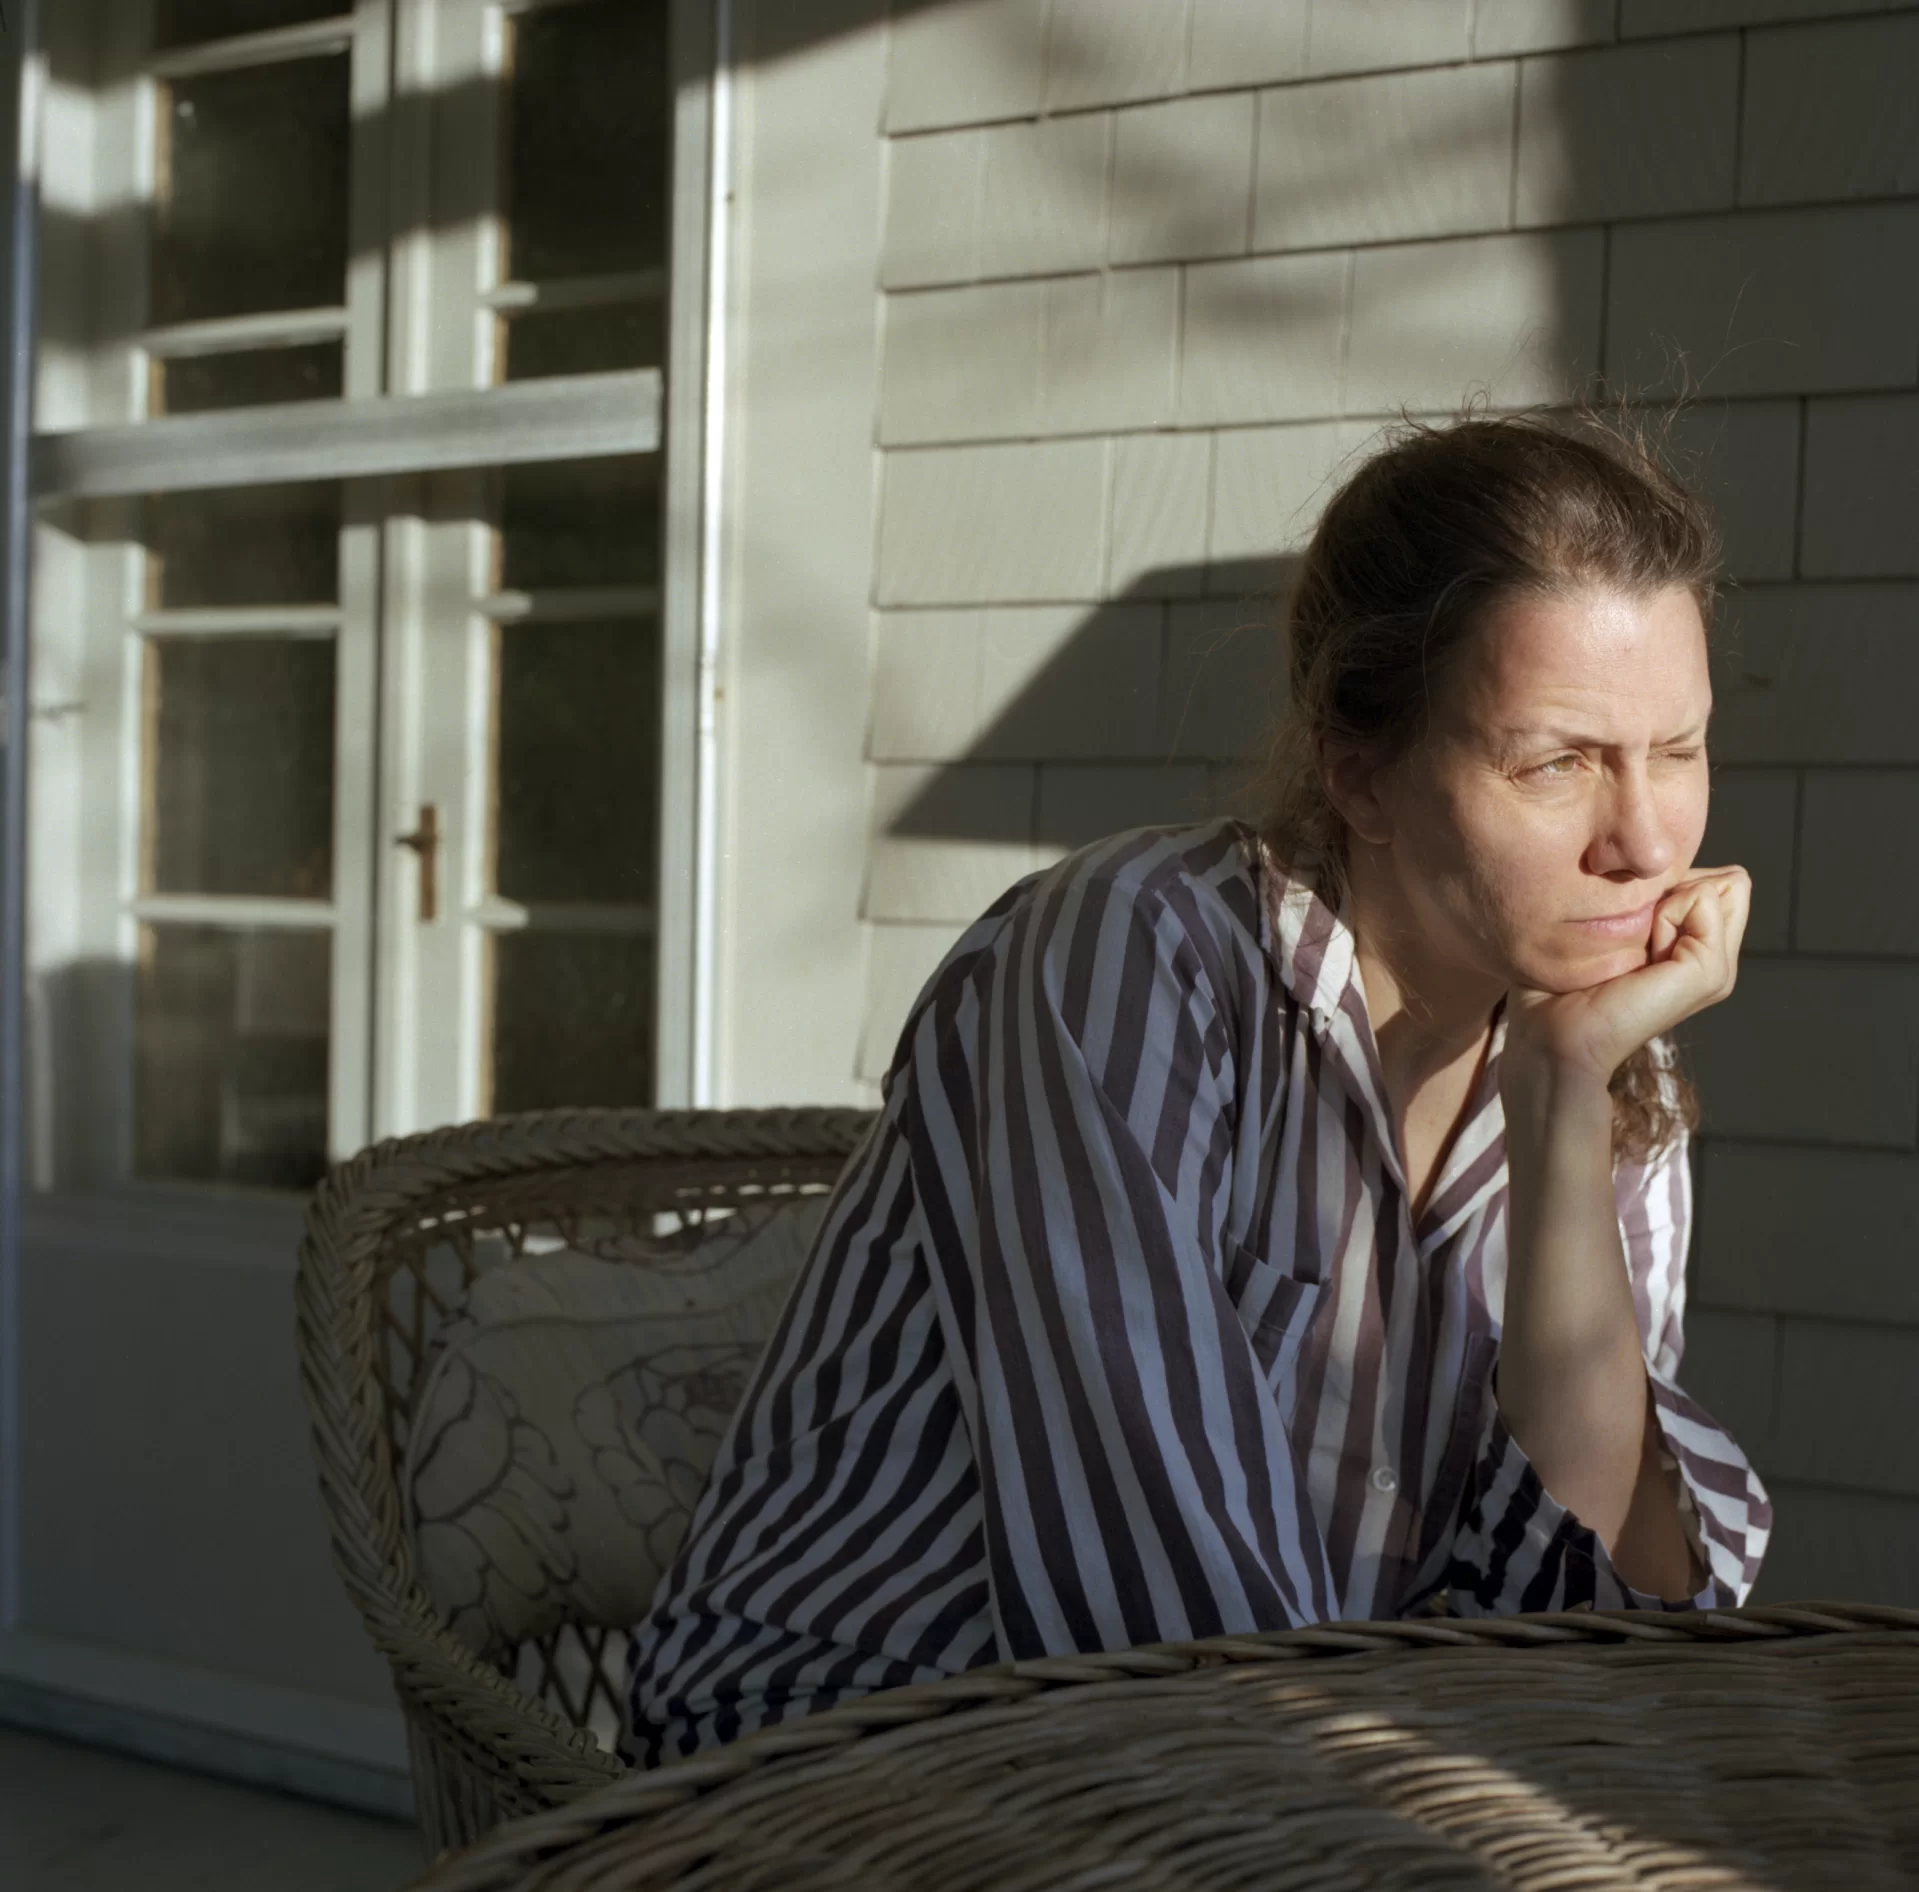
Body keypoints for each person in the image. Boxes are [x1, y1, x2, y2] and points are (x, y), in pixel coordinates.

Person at [623, 411, 1770, 1764]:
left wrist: (1568, 1092)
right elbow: (1151, 1621)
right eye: (1557, 763)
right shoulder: (1132, 960)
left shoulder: (1596, 1041)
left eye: (1677, 751)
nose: (1642, 841)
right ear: (1361, 771)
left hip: (1275, 1790)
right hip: (848, 1760)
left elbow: (1574, 1631)